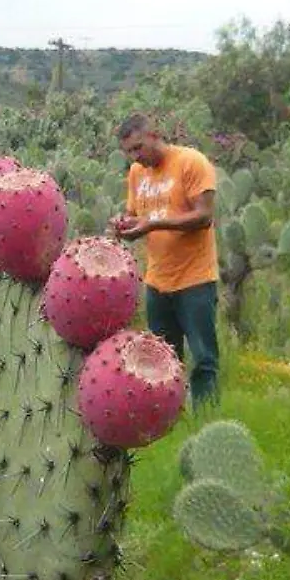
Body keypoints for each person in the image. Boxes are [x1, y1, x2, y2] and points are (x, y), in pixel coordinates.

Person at [107, 112, 221, 409]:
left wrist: (153, 225)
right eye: (129, 151)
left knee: (203, 359)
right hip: (157, 282)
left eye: (138, 147)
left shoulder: (191, 162)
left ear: (155, 135)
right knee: (163, 361)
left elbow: (204, 215)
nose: (135, 156)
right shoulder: (136, 173)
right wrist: (123, 224)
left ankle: (206, 419)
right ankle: (171, 420)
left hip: (195, 280)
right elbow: (136, 216)